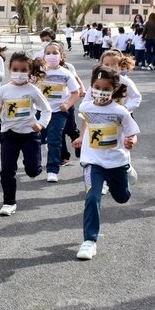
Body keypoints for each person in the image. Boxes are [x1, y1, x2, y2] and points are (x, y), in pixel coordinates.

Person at [73, 65, 139, 260]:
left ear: (114, 90)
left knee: (122, 197)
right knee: (92, 196)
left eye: (106, 89)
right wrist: (80, 137)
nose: (100, 92)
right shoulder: (85, 107)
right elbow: (86, 123)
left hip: (116, 161)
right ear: (91, 86)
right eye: (97, 87)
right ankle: (89, 241)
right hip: (92, 161)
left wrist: (131, 141)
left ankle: (128, 173)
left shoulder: (120, 111)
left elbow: (132, 133)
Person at [0, 51, 51, 216]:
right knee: (7, 170)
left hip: (29, 135)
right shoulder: (3, 90)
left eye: (24, 70)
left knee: (32, 171)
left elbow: (46, 110)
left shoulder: (32, 90)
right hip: (9, 134)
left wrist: (41, 124)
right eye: (16, 69)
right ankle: (9, 202)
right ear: (9, 69)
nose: (19, 73)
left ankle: (34, 162)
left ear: (30, 71)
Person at [38, 41, 81, 183]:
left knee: (55, 140)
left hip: (58, 112)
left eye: (55, 53)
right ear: (44, 56)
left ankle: (52, 170)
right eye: (48, 53)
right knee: (37, 138)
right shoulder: (39, 72)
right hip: (41, 111)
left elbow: (76, 92)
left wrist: (67, 105)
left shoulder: (66, 73)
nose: (51, 56)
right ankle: (35, 162)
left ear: (62, 56)